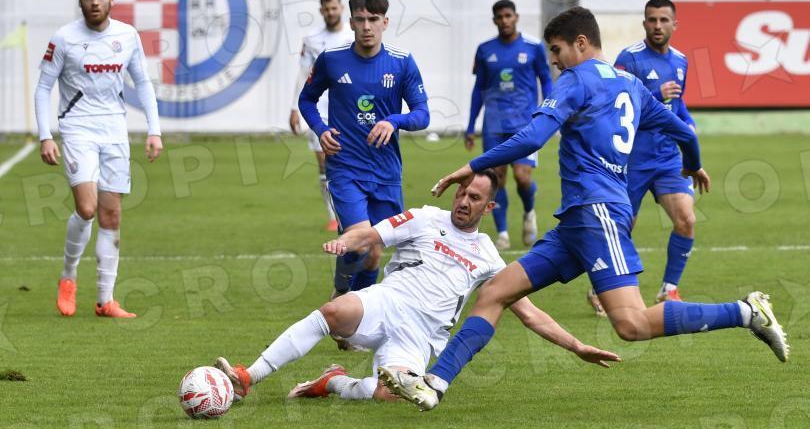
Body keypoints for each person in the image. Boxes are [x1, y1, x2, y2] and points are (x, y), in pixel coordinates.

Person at [379, 6, 789, 411]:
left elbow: (532, 138)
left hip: (598, 214)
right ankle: (434, 383)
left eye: (557, 51)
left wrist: (472, 166)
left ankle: (745, 312)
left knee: (631, 324)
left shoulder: (576, 80)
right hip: (577, 221)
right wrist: (693, 164)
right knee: (495, 292)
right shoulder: (631, 84)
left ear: (580, 43)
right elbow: (684, 131)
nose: (554, 62)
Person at [214, 171, 620, 401]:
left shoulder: (489, 256)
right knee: (333, 311)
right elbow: (370, 234)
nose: (464, 202)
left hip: (423, 334)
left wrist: (577, 346)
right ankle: (249, 376)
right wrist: (346, 242)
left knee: (387, 396)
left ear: (489, 206)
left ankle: (332, 381)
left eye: (475, 198)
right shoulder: (425, 218)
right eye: (462, 193)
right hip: (388, 301)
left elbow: (529, 313)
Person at [35, 0, 163, 318]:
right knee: (87, 208)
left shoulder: (127, 35)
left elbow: (143, 82)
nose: (94, 2)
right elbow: (43, 87)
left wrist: (154, 131)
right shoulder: (64, 38)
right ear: (80, 1)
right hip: (78, 129)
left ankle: (105, 301)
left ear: (111, 0)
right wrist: (45, 135)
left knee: (111, 214)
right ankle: (68, 276)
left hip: (114, 131)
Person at [297, 0, 430, 305]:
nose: (367, 26)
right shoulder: (331, 59)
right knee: (359, 241)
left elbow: (422, 115)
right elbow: (307, 100)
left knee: (373, 254)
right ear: (351, 22)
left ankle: (355, 309)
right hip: (345, 168)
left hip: (386, 172)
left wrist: (394, 121)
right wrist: (321, 129)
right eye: (360, 19)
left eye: (373, 19)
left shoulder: (402, 62)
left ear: (385, 22)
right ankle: (342, 292)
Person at [587, 0, 696, 316]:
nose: (657, 26)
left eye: (664, 20)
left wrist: (688, 124)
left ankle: (669, 289)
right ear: (644, 23)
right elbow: (613, 103)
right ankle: (599, 287)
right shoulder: (629, 58)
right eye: (652, 20)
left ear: (675, 24)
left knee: (686, 219)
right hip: (632, 160)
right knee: (621, 228)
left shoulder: (681, 61)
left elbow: (678, 104)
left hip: (668, 158)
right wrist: (656, 95)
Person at [465, 0, 553, 250]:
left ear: (516, 17)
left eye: (508, 16)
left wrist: (549, 110)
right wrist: (471, 126)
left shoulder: (534, 47)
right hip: (494, 125)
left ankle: (529, 211)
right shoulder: (485, 50)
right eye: (499, 17)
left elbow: (546, 80)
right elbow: (479, 89)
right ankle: (502, 233)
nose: (504, 21)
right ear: (494, 20)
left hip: (525, 124)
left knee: (522, 177)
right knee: (497, 179)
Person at [288, 0, 354, 232]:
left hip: (349, 109)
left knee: (351, 161)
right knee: (325, 165)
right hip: (319, 111)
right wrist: (294, 108)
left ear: (341, 8)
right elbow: (303, 74)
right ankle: (333, 216)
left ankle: (354, 211)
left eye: (334, 8)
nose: (330, 12)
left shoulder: (353, 36)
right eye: (326, 9)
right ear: (321, 11)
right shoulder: (312, 39)